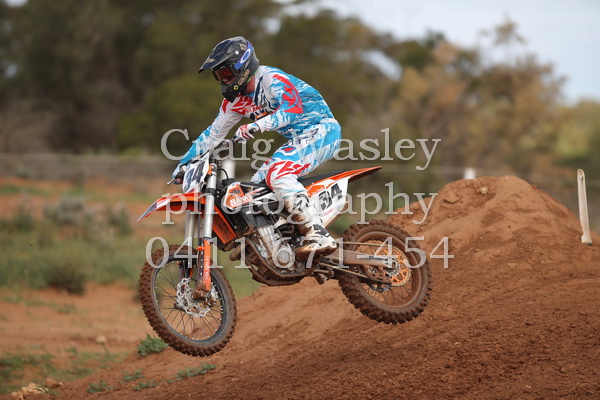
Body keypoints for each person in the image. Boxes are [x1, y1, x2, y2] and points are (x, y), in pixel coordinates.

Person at [174, 36, 341, 258]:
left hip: (323, 130)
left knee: (279, 175)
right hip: (300, 138)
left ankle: (317, 232)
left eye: (226, 73)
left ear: (242, 66)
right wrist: (184, 164)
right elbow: (212, 135)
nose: (223, 80)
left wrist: (258, 125)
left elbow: (293, 109)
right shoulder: (234, 102)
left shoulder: (271, 79)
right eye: (219, 76)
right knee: (253, 190)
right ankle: (270, 240)